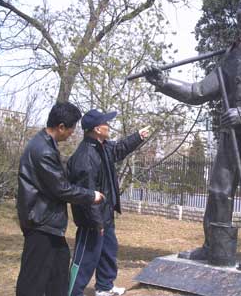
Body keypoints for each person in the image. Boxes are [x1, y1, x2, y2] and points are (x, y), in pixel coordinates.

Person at [143, 0, 241, 270]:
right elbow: (199, 92)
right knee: (219, 189)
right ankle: (214, 247)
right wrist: (164, 82)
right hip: (233, 131)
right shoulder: (233, 55)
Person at [16, 102, 104, 296]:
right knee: (32, 282)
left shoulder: (46, 144)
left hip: (51, 225)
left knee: (59, 278)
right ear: (61, 126)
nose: (73, 132)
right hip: (40, 224)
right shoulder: (43, 150)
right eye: (72, 128)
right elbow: (61, 189)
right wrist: (91, 195)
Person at [67, 109, 150, 296]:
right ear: (97, 129)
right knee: (85, 258)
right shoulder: (85, 157)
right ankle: (71, 291)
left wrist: (138, 137)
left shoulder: (102, 147)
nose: (109, 125)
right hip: (92, 219)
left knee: (107, 252)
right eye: (106, 123)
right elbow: (86, 196)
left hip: (105, 213)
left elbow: (119, 149)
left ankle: (105, 287)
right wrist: (96, 222)